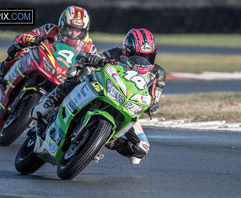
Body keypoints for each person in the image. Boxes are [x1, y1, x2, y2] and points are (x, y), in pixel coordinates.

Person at [31, 28, 166, 164]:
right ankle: (51, 100)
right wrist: (91, 59)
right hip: (105, 89)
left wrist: (153, 104)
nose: (142, 61)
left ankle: (105, 141)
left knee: (142, 148)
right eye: (137, 55)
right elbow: (92, 58)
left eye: (147, 57)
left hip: (128, 107)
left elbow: (155, 96)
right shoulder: (116, 53)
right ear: (127, 51)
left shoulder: (158, 73)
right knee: (79, 72)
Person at [0, 5, 97, 102]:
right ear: (62, 25)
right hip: (41, 62)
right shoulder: (50, 29)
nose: (73, 34)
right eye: (70, 29)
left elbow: (93, 69)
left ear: (84, 32)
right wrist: (30, 39)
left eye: (77, 31)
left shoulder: (89, 46)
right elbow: (26, 36)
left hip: (63, 76)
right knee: (17, 51)